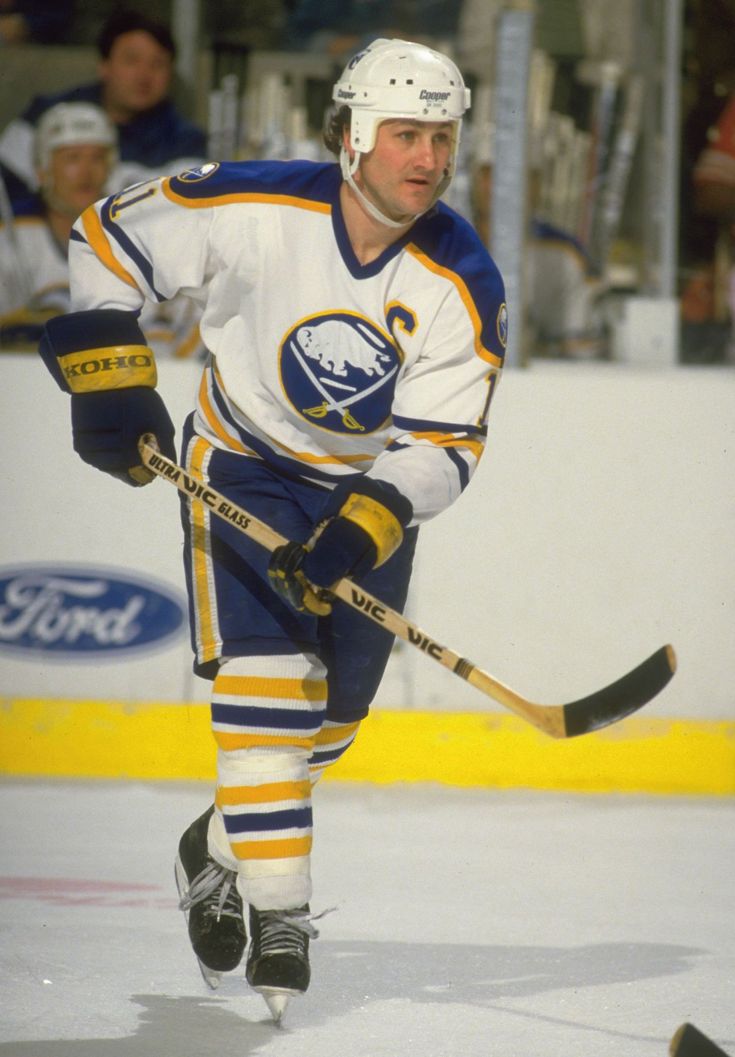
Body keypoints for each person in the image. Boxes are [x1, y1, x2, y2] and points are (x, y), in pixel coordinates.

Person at [38, 37, 506, 1021]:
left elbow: (443, 446)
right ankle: (279, 910)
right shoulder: (252, 204)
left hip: (363, 497)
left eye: (442, 136)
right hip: (238, 461)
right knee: (265, 682)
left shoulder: (464, 277)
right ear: (351, 137)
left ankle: (214, 845)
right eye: (405, 134)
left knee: (332, 723)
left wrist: (360, 528)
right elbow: (104, 239)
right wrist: (108, 374)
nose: (426, 157)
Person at [0, 100, 203, 355]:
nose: (86, 172)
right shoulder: (13, 238)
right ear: (42, 171)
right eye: (72, 159)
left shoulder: (141, 237)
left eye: (97, 158)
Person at [0, 7, 206, 208]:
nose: (144, 75)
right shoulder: (46, 116)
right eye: (132, 60)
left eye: (158, 64)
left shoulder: (186, 143)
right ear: (104, 66)